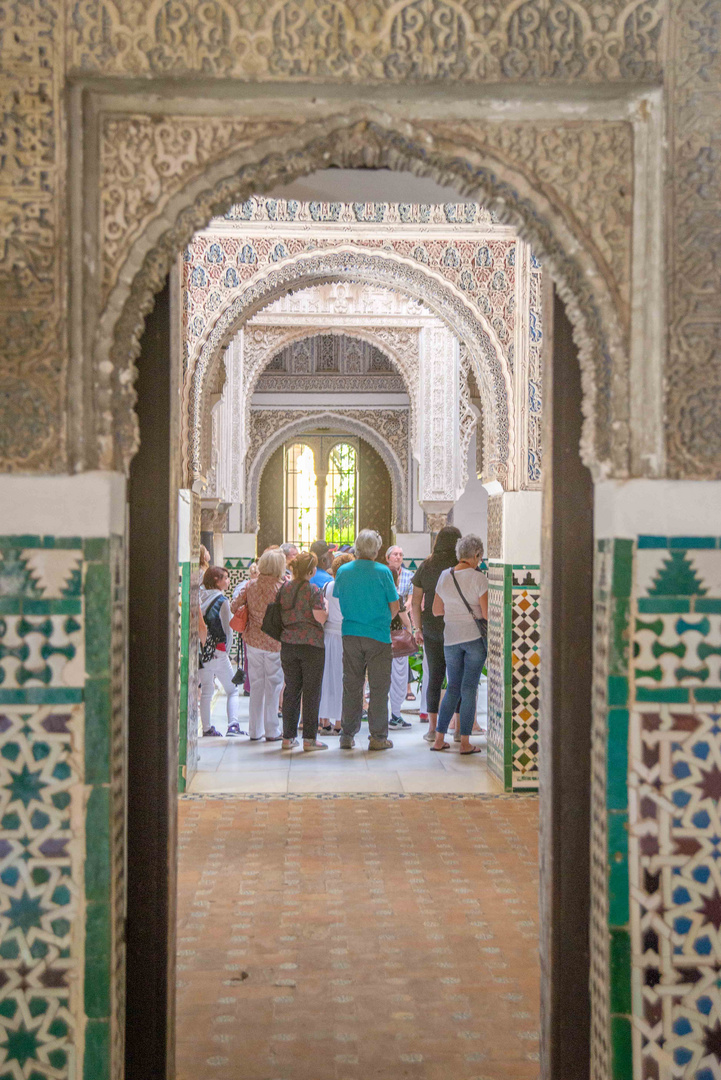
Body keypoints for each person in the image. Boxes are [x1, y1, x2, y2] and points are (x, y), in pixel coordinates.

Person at [333, 529, 399, 751]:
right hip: (378, 636)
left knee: (351, 684)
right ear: (376, 550)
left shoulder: (343, 571)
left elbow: (339, 598)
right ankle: (378, 738)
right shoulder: (383, 572)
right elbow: (395, 606)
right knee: (379, 687)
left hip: (350, 633)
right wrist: (380, 621)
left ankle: (347, 735)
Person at [431, 534, 488, 754]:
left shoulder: (445, 576)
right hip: (473, 639)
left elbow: (436, 610)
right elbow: (485, 614)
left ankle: (438, 739)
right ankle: (465, 743)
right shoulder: (478, 578)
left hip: (451, 639)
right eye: (479, 557)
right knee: (469, 688)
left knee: (452, 687)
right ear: (475, 555)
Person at [411, 526, 462, 744]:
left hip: (431, 628)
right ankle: (459, 728)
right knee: (456, 678)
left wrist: (418, 629)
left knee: (435, 678)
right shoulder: (459, 566)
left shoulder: (427, 565)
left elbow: (415, 602)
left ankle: (432, 729)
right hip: (455, 626)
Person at [233, 549, 286, 742]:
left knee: (256, 685)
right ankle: (272, 730)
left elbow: (233, 606)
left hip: (253, 640)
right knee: (273, 684)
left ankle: (254, 731)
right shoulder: (283, 586)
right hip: (275, 642)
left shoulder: (250, 585)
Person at [278, 551, 329, 751]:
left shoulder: (284, 588)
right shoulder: (312, 589)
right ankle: (309, 739)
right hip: (311, 645)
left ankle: (288, 737)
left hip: (288, 644)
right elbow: (320, 617)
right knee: (311, 691)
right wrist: (325, 610)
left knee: (291, 689)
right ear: (312, 570)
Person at [199, 566, 244, 738]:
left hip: (202, 652)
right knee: (232, 690)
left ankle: (206, 728)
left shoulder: (199, 597)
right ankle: (233, 725)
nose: (228, 581)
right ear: (216, 580)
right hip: (218, 651)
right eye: (225, 577)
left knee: (207, 690)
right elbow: (228, 629)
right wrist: (227, 650)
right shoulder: (222, 601)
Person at [318, 552, 354, 734]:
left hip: (327, 636)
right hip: (345, 635)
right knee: (342, 678)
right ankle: (339, 722)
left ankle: (324, 720)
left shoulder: (327, 585)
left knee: (326, 677)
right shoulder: (352, 587)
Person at [386, 545, 416, 702]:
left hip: (402, 619)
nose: (398, 557)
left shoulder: (409, 575)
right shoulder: (384, 574)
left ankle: (407, 688)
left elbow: (410, 599)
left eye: (400, 554)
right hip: (395, 621)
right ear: (388, 558)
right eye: (395, 554)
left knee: (402, 658)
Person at [388, 567, 414, 730]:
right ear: (397, 579)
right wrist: (410, 635)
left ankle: (380, 716)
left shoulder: (376, 595)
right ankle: (396, 715)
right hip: (397, 643)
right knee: (399, 678)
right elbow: (406, 622)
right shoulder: (396, 597)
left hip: (379, 640)